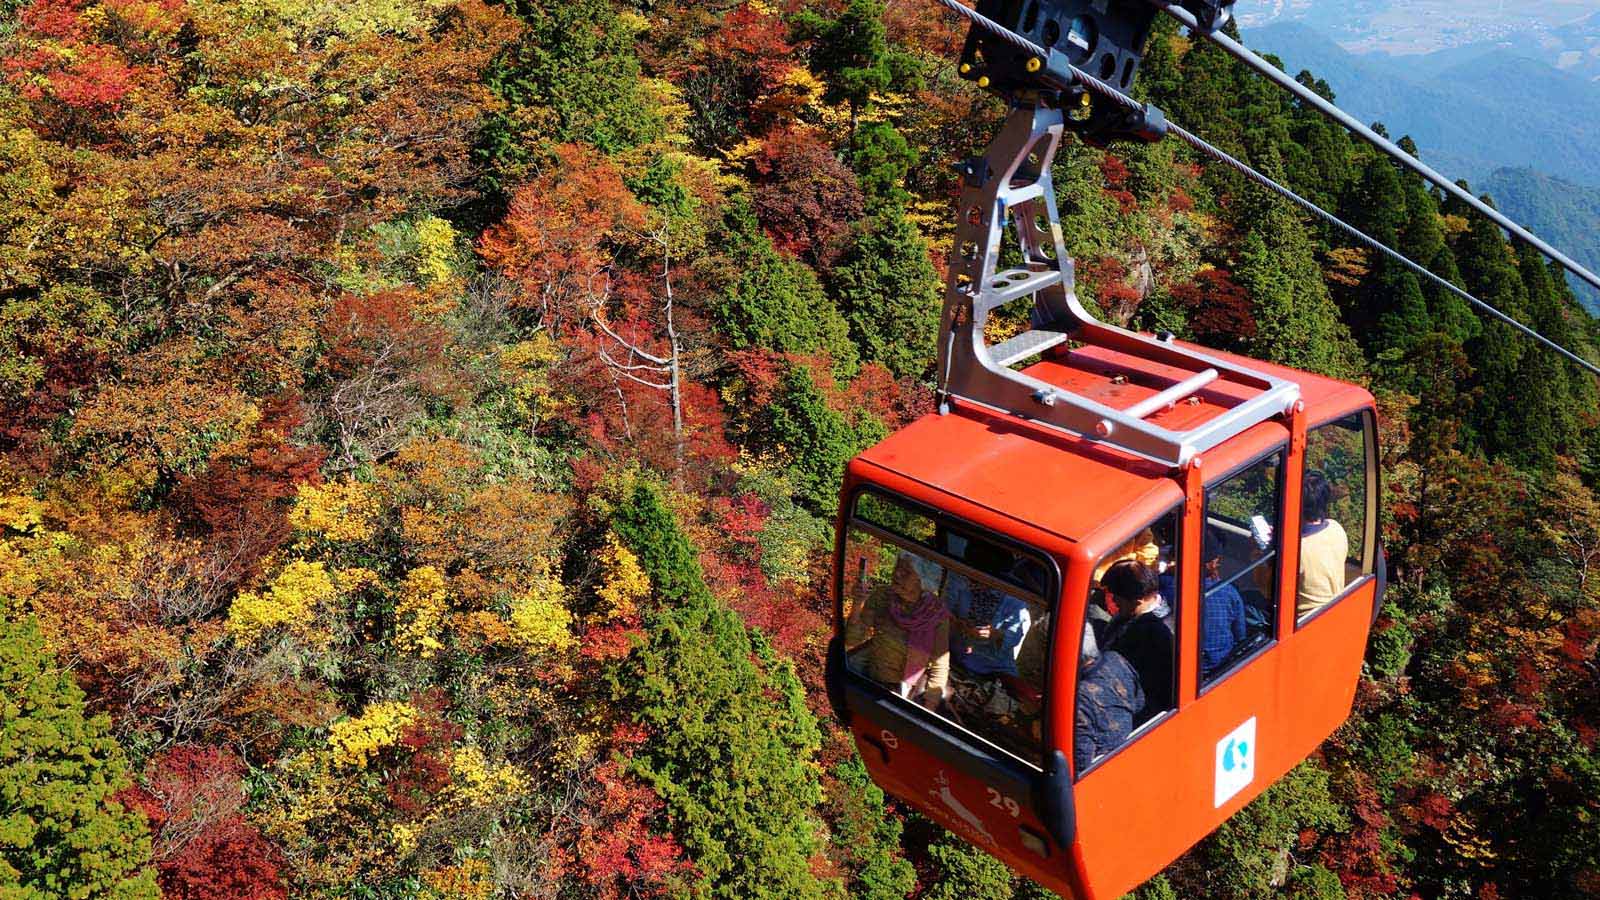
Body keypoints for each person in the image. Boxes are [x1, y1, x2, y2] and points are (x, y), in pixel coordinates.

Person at [845, 552, 950, 709]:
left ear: (923, 580)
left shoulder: (936, 614)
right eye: (897, 568)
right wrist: (857, 604)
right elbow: (852, 639)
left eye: (906, 572)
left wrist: (929, 708)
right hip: (869, 681)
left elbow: (939, 664)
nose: (897, 574)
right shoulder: (882, 596)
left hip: (905, 693)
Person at [1162, 526, 1248, 678]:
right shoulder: (1230, 592)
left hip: (1178, 666)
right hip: (1220, 666)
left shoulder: (1168, 586)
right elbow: (1240, 635)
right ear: (1214, 562)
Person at [1100, 560, 1173, 725]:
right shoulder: (1131, 615)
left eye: (1116, 598)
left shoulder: (1156, 635)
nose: (1114, 602)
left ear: (1137, 601)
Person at [1073, 623, 1144, 773]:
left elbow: (1081, 763)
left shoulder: (1077, 699)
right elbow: (1139, 703)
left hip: (1105, 766)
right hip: (1131, 743)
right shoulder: (1115, 658)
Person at [1296, 470, 1348, 617]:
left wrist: (1258, 553)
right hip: (1332, 610)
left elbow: (1267, 589)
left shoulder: (1297, 549)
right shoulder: (1336, 528)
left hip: (1301, 619)